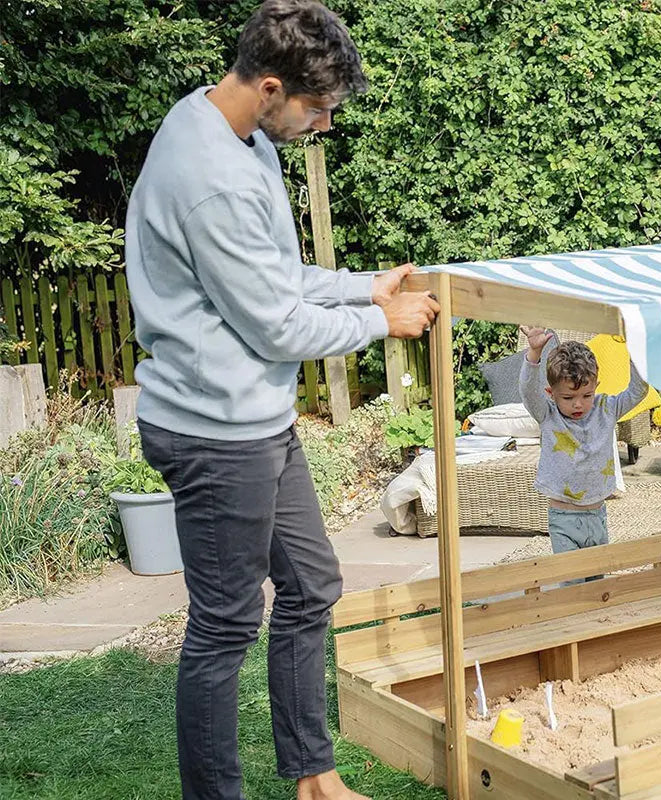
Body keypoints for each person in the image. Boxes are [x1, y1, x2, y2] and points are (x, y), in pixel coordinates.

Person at [124, 2, 439, 798]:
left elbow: (273, 274)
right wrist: (380, 320)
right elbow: (274, 325)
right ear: (271, 87)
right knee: (226, 625)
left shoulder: (236, 127)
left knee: (309, 585)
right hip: (212, 432)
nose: (325, 124)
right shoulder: (210, 179)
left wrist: (361, 284)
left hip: (254, 420)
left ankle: (314, 778)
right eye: (320, 109)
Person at [518, 327, 648, 580]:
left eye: (586, 395)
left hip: (597, 517)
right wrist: (534, 353)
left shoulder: (605, 409)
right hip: (563, 520)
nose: (578, 404)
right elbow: (526, 391)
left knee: (597, 586)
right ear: (551, 393)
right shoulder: (548, 414)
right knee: (573, 588)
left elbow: (637, 391)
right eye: (568, 397)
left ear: (596, 387)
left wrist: (636, 349)